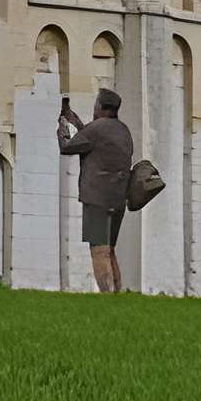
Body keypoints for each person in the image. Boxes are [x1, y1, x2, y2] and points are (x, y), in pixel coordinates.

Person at [56, 84, 134, 292]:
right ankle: (117, 295)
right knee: (110, 250)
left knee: (98, 251)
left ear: (100, 106)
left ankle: (106, 296)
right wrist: (75, 120)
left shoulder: (97, 129)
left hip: (97, 198)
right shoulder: (122, 129)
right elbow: (92, 139)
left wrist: (63, 126)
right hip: (118, 198)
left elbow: (68, 147)